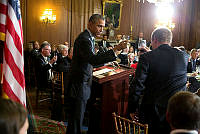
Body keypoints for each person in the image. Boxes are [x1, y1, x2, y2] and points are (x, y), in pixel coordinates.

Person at [65, 14, 128, 134]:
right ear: (90, 24)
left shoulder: (89, 37)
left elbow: (90, 61)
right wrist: (115, 49)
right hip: (79, 85)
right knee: (76, 120)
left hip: (82, 83)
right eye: (99, 26)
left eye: (103, 27)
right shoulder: (84, 39)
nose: (101, 29)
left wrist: (108, 64)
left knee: (76, 120)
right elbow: (92, 59)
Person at [128, 27, 189, 134]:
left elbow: (137, 85)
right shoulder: (183, 56)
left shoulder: (147, 58)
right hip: (176, 110)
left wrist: (132, 108)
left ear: (154, 40)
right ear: (169, 40)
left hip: (153, 112)